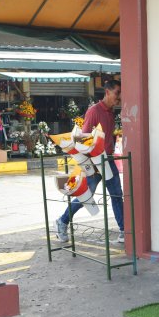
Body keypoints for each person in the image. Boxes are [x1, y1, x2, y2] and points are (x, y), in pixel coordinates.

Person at [55, 80, 124, 244]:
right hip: (95, 161)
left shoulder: (110, 112)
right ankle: (63, 221)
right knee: (87, 195)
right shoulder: (94, 111)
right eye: (117, 93)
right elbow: (83, 138)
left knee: (116, 194)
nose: (119, 97)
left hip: (108, 159)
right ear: (107, 92)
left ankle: (124, 230)